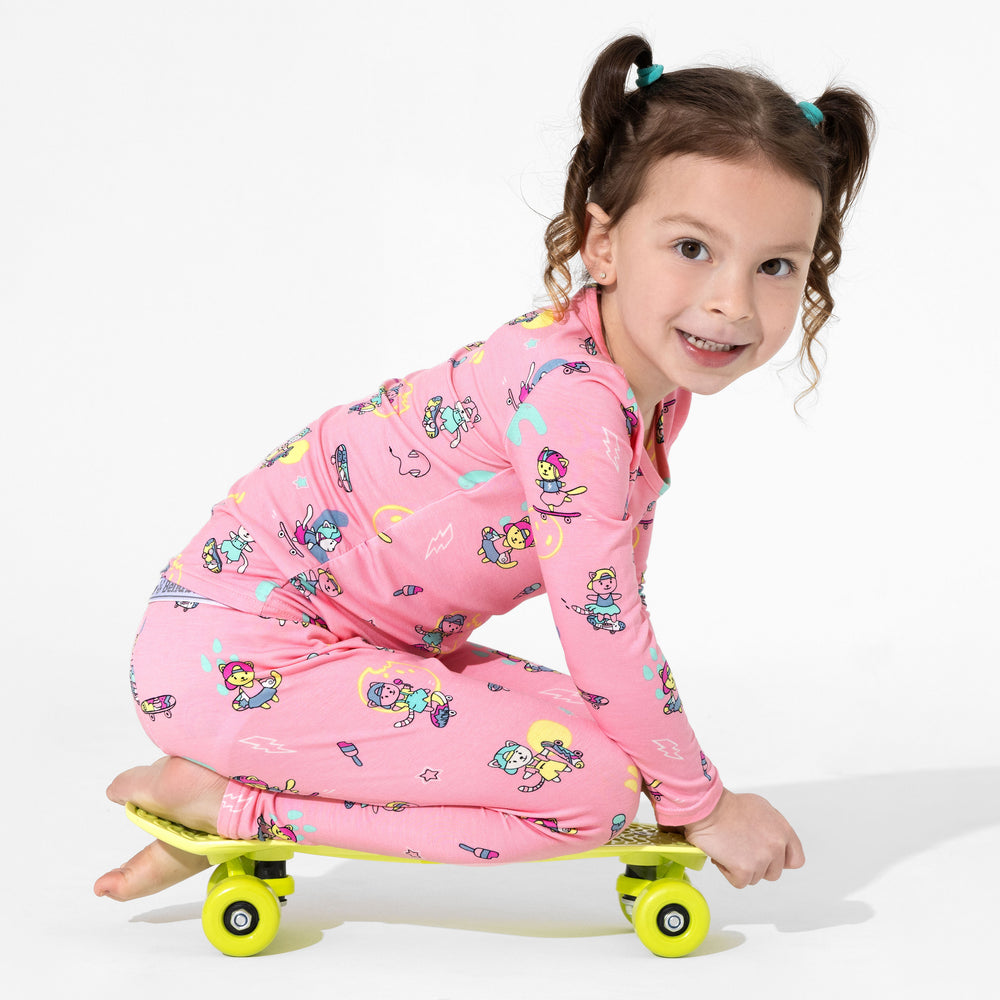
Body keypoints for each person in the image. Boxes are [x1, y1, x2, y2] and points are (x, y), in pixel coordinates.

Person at [95, 33, 874, 903]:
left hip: (330, 653)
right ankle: (232, 805)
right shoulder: (573, 398)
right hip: (238, 659)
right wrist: (705, 804)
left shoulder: (645, 388)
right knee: (592, 791)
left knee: (616, 752)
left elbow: (609, 614)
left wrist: (678, 780)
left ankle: (228, 786)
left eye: (775, 266)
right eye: (692, 248)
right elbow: (604, 628)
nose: (733, 302)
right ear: (603, 243)